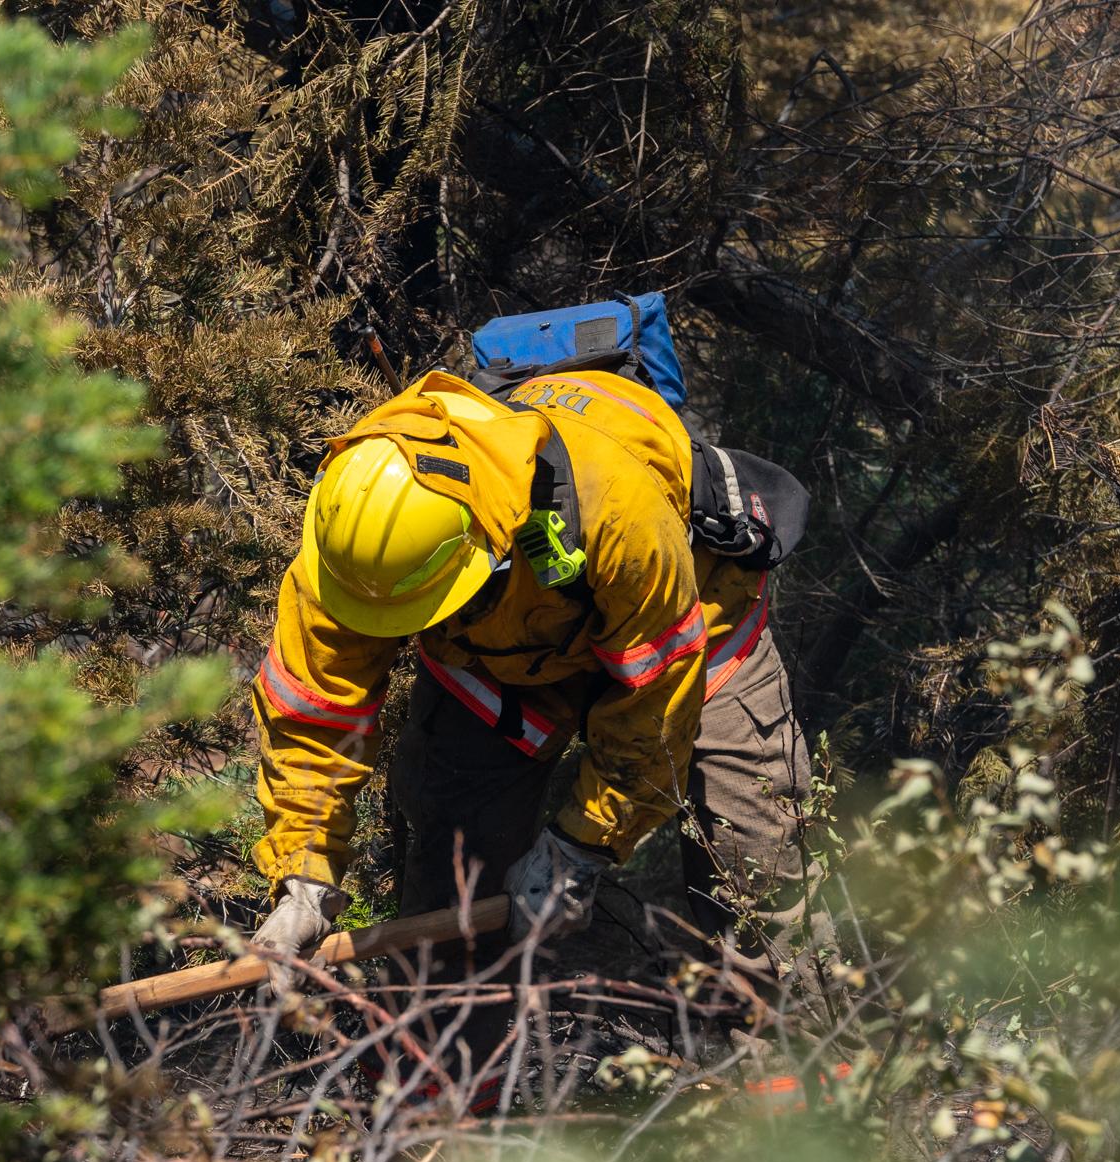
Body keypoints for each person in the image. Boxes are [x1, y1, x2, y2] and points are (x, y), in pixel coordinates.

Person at [247, 365, 820, 1013]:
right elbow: (313, 711)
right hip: (501, 660)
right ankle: (443, 1097)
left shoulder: (617, 511)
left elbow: (655, 705)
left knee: (757, 871)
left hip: (690, 633)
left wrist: (583, 844)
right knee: (453, 887)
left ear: (485, 550)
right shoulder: (349, 546)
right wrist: (303, 874)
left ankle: (798, 1096)